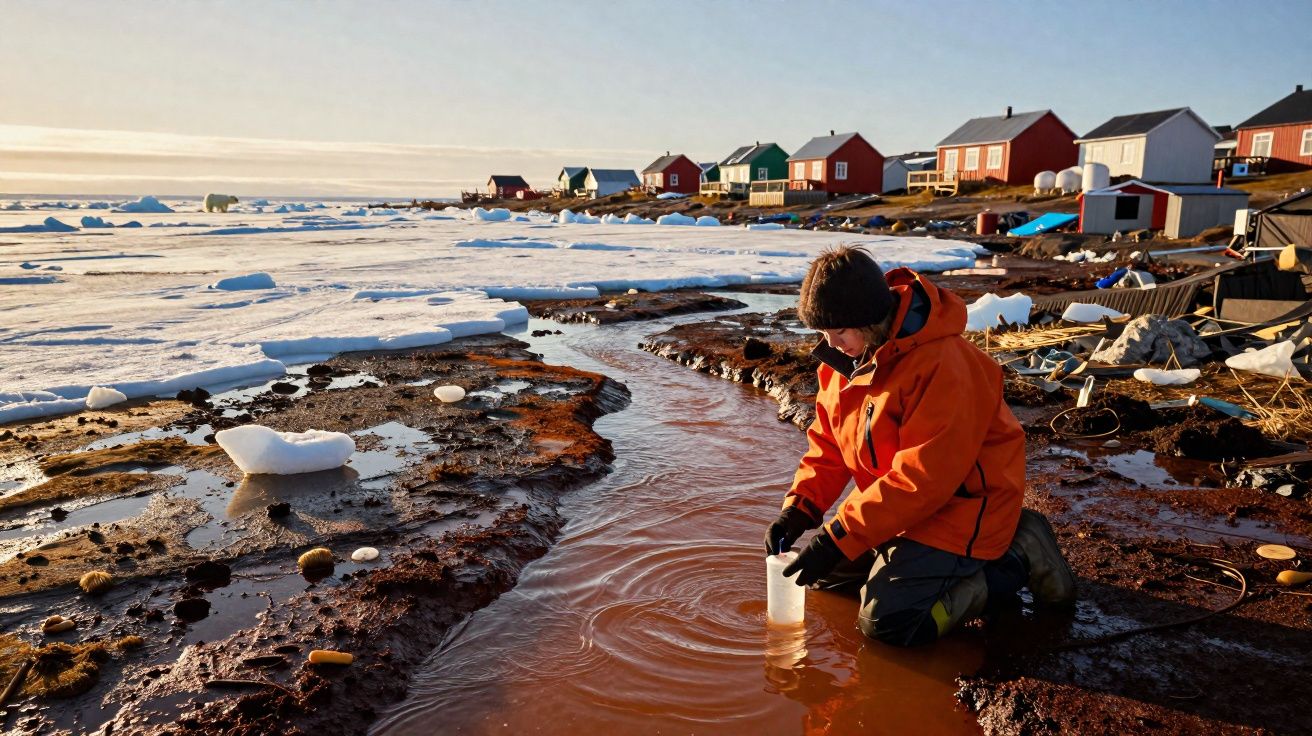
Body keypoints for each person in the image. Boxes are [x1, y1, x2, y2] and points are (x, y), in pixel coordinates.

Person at [764, 246, 1075, 647]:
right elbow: (828, 446)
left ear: (871, 319)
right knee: (819, 577)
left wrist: (839, 535)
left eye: (839, 331)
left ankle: (1018, 554)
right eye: (823, 332)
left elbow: (922, 478)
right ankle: (902, 563)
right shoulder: (844, 364)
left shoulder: (943, 365)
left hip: (963, 509)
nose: (831, 343)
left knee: (889, 623)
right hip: (902, 508)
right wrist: (799, 509)